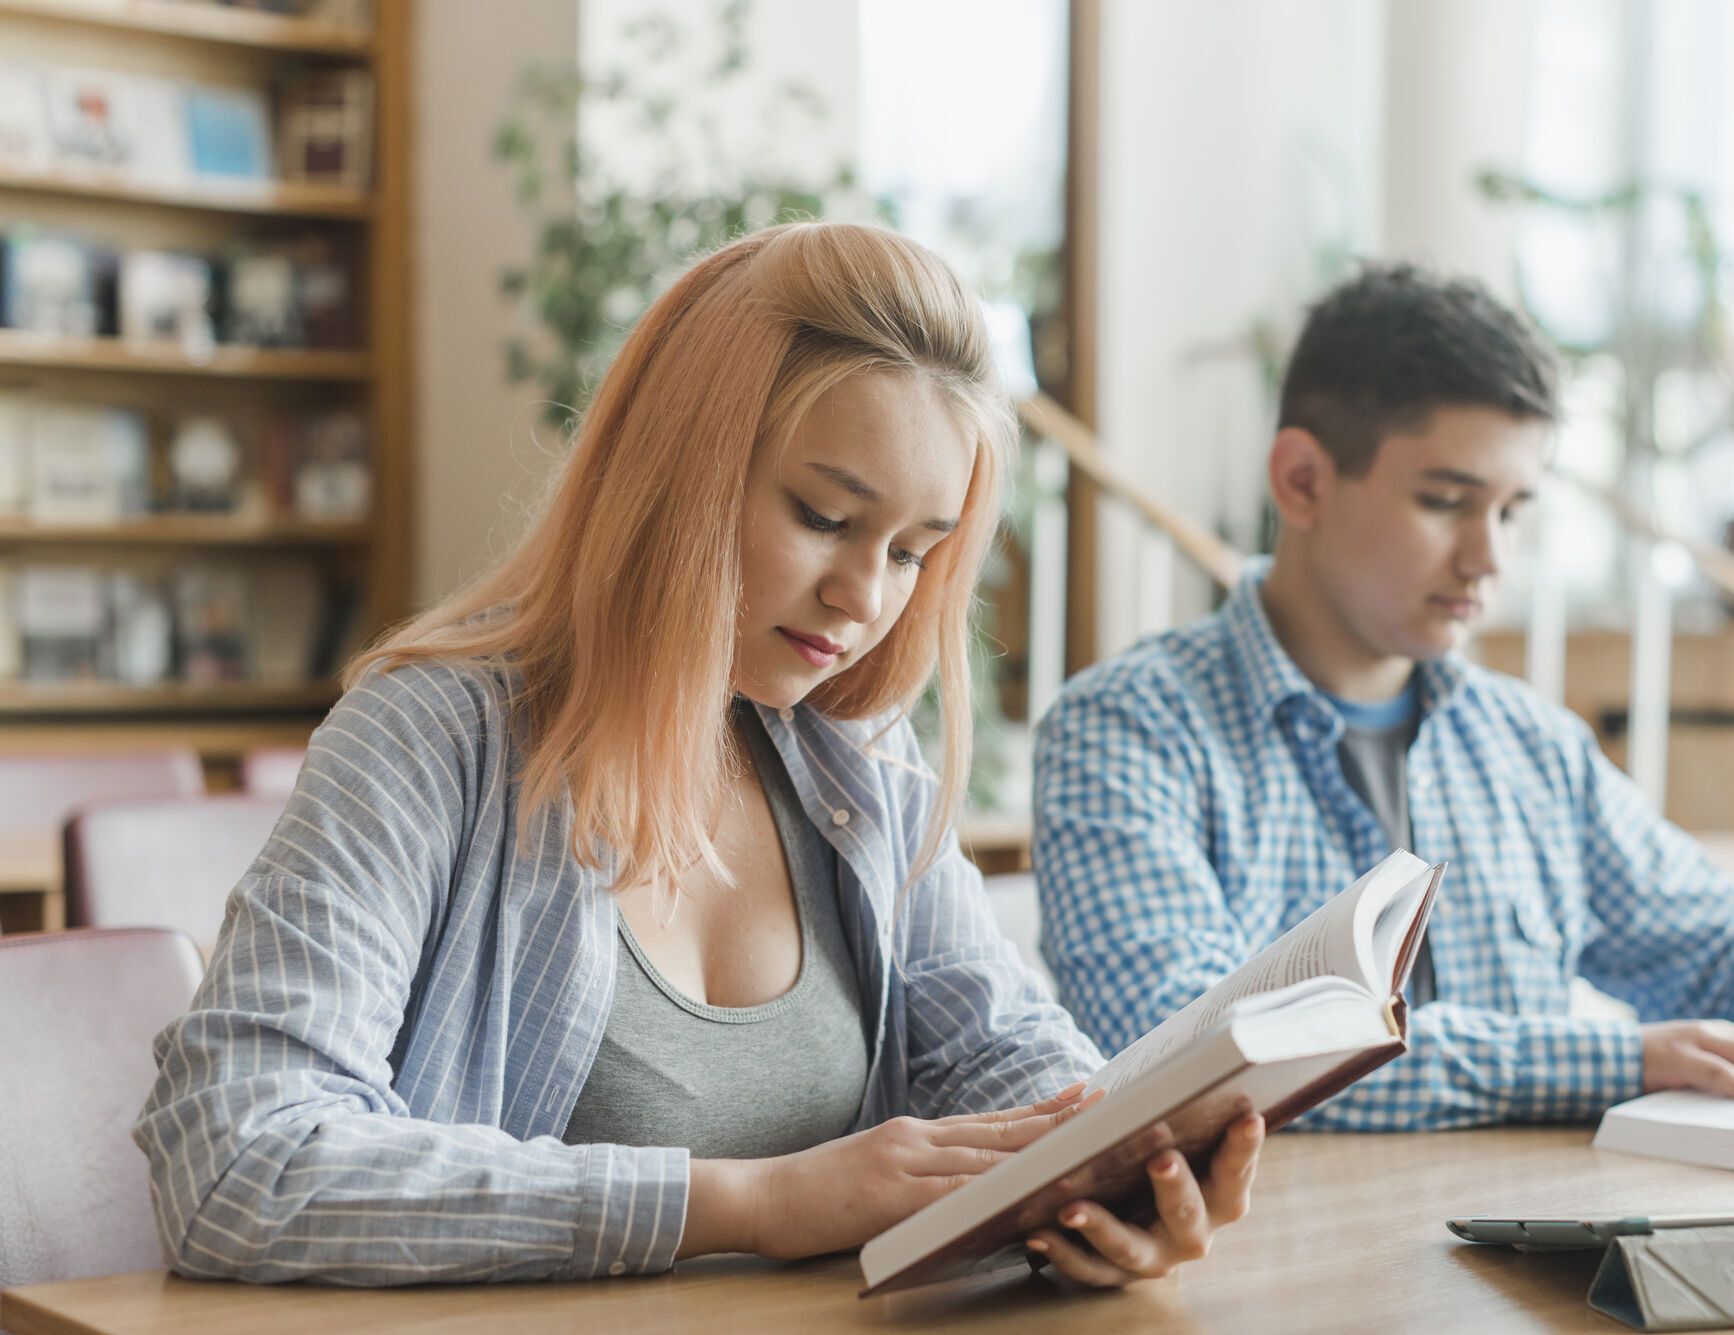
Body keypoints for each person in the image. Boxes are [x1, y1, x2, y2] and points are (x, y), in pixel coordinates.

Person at [136, 223, 1261, 1286]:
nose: (862, 598)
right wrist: (744, 1205)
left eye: (913, 553)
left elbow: (1004, 1057)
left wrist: (1107, 1179)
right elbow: (241, 1162)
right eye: (822, 517)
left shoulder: (853, 756)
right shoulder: (431, 738)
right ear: (678, 469)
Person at [1033, 262, 1734, 1133]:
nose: (1489, 558)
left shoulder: (1530, 744)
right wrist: (1618, 1055)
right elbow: (1191, 1059)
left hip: (1520, 1256)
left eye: (1512, 510)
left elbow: (1727, 949)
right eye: (1445, 501)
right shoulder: (1127, 728)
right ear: (1302, 479)